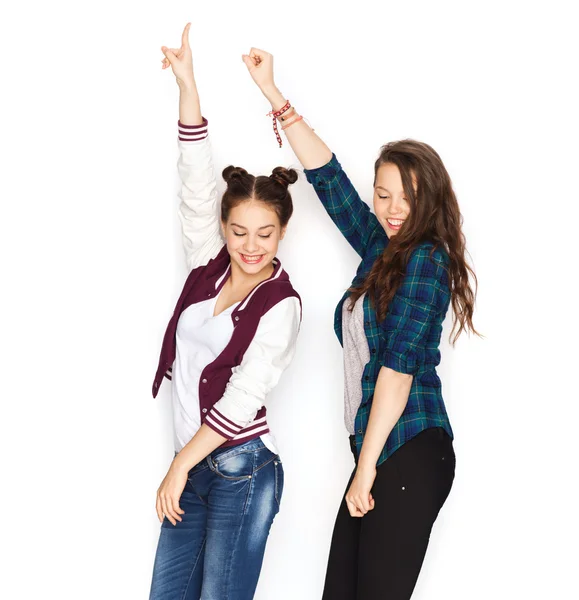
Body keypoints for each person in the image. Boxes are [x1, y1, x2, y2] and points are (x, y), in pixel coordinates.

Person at [243, 47, 478, 599]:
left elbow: (396, 373)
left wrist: (365, 467)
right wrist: (274, 95)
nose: (393, 208)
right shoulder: (382, 249)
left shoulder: (426, 260)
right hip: (379, 452)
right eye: (383, 194)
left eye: (408, 197)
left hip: (410, 448)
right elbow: (330, 182)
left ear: (430, 199)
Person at [149, 27, 301, 600]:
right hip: (191, 463)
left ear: (283, 232)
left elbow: (241, 400)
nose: (251, 245)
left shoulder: (281, 307)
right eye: (239, 231)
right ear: (225, 229)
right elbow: (194, 185)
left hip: (242, 468)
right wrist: (187, 85)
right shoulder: (204, 268)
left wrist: (177, 467)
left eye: (265, 233)